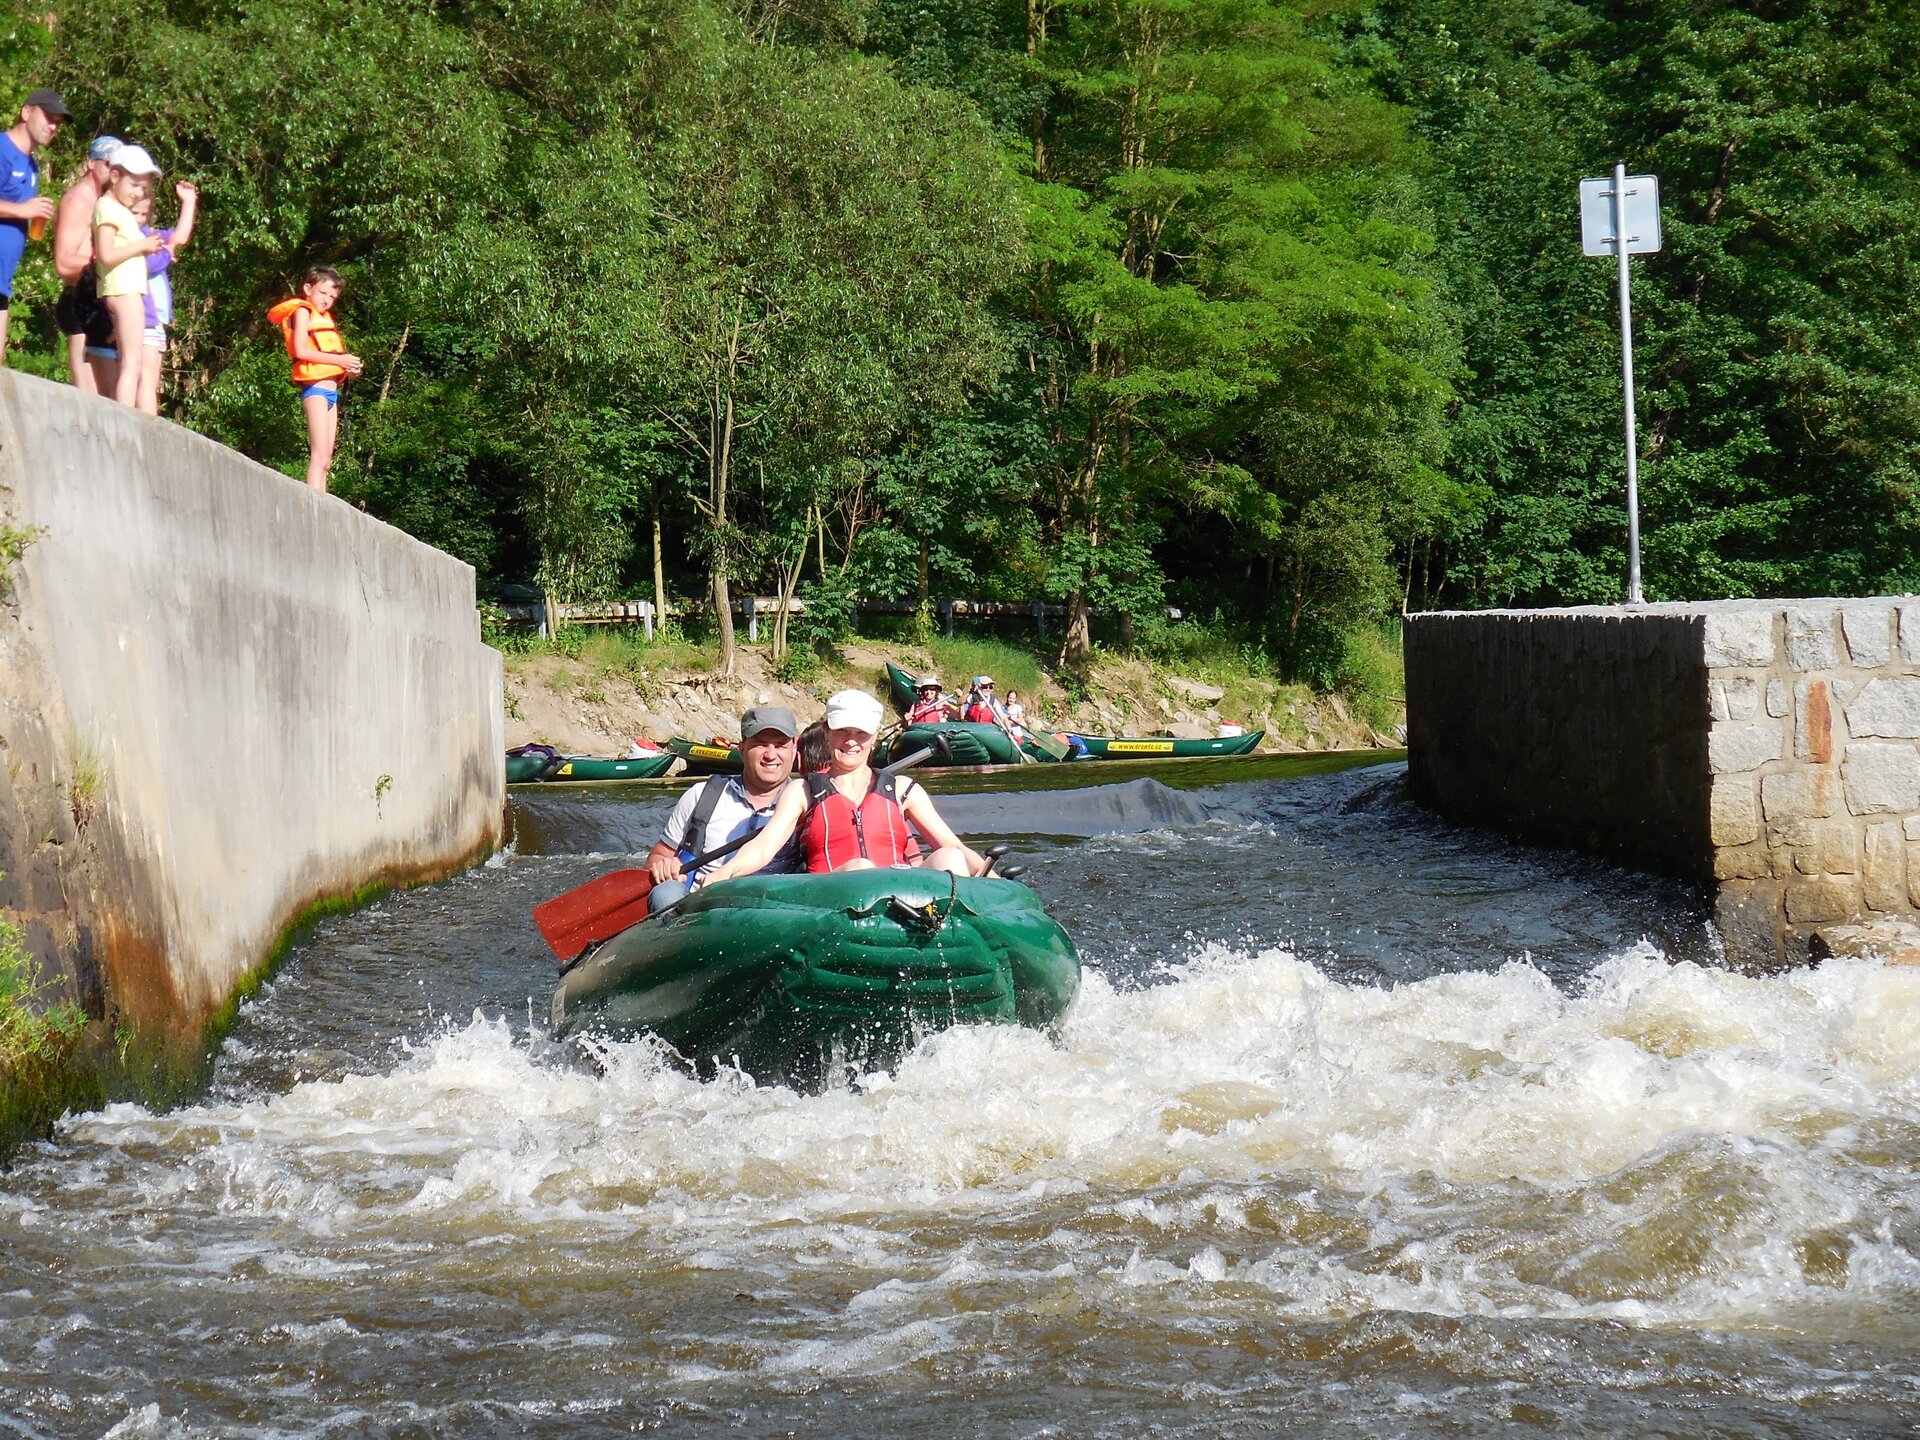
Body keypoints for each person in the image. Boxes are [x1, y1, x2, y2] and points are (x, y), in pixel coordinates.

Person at [704, 689, 987, 884]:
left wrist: (997, 881)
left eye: (861, 733)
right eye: (842, 731)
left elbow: (953, 845)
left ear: (874, 739)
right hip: (833, 898)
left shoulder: (902, 789)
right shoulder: (802, 791)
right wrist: (724, 873)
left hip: (900, 893)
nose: (851, 741)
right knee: (861, 866)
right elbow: (764, 847)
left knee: (950, 857)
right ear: (827, 733)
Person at [644, 707, 803, 912]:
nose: (771, 755)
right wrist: (663, 867)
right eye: (761, 744)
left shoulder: (808, 803)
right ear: (742, 749)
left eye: (780, 745)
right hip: (699, 910)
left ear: (794, 750)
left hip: (771, 914)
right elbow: (657, 858)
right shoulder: (701, 795)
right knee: (664, 893)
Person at [267, 265, 365, 491]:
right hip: (315, 389)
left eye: (332, 297)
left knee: (327, 461)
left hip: (331, 391)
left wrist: (349, 368)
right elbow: (301, 351)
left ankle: (322, 502)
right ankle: (314, 504)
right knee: (319, 456)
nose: (327, 300)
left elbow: (329, 357)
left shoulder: (325, 318)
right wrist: (341, 360)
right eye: (323, 293)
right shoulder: (303, 311)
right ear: (308, 289)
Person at [92, 144, 165, 408]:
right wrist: (142, 245)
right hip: (123, 290)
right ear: (115, 177)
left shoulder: (119, 209)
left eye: (143, 188)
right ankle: (125, 417)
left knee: (130, 361)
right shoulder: (109, 208)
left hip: (128, 289)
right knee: (131, 363)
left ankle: (125, 415)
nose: (138, 193)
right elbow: (106, 254)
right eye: (133, 185)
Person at [0, 88, 66, 364]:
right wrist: (21, 210)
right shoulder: (2, 150)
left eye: (57, 123)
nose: (53, 126)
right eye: (48, 117)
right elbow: (20, 209)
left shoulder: (32, 167)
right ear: (26, 112)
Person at [54, 135, 123, 394]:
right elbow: (63, 263)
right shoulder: (78, 201)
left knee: (111, 399)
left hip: (99, 303)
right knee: (89, 399)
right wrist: (106, 257)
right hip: (80, 305)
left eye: (120, 168)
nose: (115, 173)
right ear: (91, 163)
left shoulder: (103, 202)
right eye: (109, 165)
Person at [131, 179, 196, 416]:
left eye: (144, 214)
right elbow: (146, 264)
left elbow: (179, 238)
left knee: (150, 381)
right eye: (135, 213)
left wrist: (189, 202)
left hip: (155, 318)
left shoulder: (149, 234)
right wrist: (166, 255)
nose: (140, 218)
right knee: (145, 382)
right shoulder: (129, 237)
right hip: (143, 316)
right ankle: (146, 428)